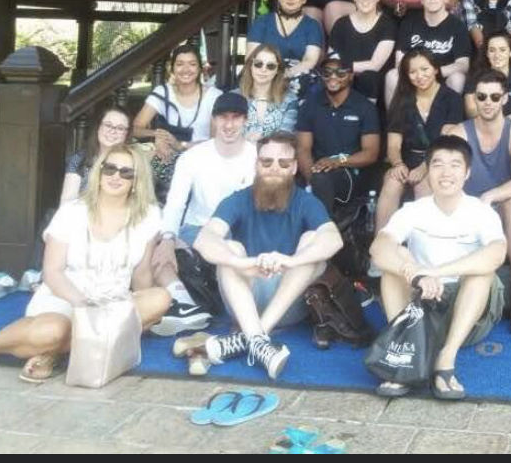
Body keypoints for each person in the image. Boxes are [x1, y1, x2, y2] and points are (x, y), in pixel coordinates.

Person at [0, 146, 170, 383]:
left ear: (137, 181)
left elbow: (142, 272)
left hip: (111, 301)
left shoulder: (148, 215)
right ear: (99, 172)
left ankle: (53, 352)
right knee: (53, 330)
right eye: (110, 169)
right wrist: (81, 304)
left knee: (160, 299)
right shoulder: (72, 212)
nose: (116, 176)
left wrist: (144, 311)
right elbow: (52, 272)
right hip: (64, 297)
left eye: (126, 172)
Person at [192, 131, 343, 381]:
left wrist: (291, 260)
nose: (274, 168)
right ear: (256, 164)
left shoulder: (306, 201)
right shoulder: (238, 199)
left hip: (288, 302)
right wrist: (241, 262)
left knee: (311, 243)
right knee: (230, 249)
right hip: (244, 299)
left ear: (294, 167)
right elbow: (204, 239)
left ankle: (253, 336)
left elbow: (333, 239)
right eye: (267, 162)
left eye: (283, 163)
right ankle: (259, 340)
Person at [369, 135, 508, 400]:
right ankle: (404, 348)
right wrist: (416, 274)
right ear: (428, 171)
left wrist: (433, 272)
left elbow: (496, 254)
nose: (446, 173)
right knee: (393, 262)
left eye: (455, 165)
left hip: (466, 314)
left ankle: (446, 359)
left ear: (467, 173)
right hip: (422, 304)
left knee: (483, 273)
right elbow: (379, 249)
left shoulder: (481, 212)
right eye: (438, 164)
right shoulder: (413, 210)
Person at [153, 91, 258, 336]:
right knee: (155, 249)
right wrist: (167, 238)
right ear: (214, 119)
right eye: (223, 117)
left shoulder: (257, 156)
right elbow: (175, 203)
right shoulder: (193, 157)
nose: (229, 125)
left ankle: (232, 310)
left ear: (245, 120)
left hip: (239, 236)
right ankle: (186, 306)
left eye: (236, 117)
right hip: (196, 231)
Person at [443, 70, 511, 334]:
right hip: (465, 207)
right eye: (482, 96)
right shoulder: (459, 133)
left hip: (499, 206)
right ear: (474, 98)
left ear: (505, 98)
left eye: (495, 97)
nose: (488, 102)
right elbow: (448, 179)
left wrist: (490, 196)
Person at [378, 49, 465, 230]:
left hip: (439, 160)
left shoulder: (452, 99)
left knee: (423, 186)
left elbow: (447, 141)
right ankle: (381, 243)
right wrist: (398, 164)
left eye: (425, 69)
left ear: (435, 69)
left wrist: (424, 167)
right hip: (408, 157)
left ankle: (421, 244)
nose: (419, 76)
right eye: (413, 72)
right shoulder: (401, 100)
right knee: (392, 183)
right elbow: (393, 144)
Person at [132, 43, 221, 203]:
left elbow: (216, 142)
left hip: (202, 157)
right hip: (168, 156)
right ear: (172, 68)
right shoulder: (163, 92)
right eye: (180, 64)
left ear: (200, 68)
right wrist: (158, 134)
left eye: (192, 64)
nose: (186, 69)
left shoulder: (214, 96)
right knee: (138, 165)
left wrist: (181, 146)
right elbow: (135, 128)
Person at [296, 54, 382, 217]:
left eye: (340, 73)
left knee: (322, 180)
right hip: (316, 170)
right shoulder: (310, 105)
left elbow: (371, 153)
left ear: (351, 75)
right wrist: (311, 180)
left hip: (349, 172)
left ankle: (323, 227)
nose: (333, 77)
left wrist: (338, 161)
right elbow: (303, 149)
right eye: (327, 72)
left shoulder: (364, 107)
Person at [384, 0, 471, 107]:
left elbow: (463, 65)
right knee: (392, 76)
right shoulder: (409, 23)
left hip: (442, 79)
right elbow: (400, 62)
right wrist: (418, 74)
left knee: (458, 78)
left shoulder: (457, 26)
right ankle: (395, 120)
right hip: (414, 78)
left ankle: (448, 120)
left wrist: (435, 72)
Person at [245, 0, 325, 94]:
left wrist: (285, 75)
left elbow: (310, 60)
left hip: (298, 74)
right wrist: (269, 73)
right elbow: (251, 57)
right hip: (264, 71)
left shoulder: (312, 25)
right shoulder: (262, 22)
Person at [327, 0, 396, 103]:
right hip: (343, 79)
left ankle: (365, 114)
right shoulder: (341, 23)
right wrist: (343, 72)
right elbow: (332, 58)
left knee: (369, 76)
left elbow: (375, 65)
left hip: (373, 86)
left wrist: (346, 67)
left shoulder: (387, 25)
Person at [61, 104, 131, 204]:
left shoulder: (134, 161)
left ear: (127, 134)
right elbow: (67, 202)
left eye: (120, 128)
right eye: (108, 125)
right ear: (98, 127)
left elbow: (141, 199)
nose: (112, 131)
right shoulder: (79, 159)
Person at [464, 30, 511, 124]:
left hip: (510, 129)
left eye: (502, 50)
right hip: (480, 128)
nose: (497, 55)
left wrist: (495, 125)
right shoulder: (475, 78)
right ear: (487, 53)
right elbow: (471, 111)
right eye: (492, 50)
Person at [239, 43, 299, 142]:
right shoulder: (235, 96)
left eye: (270, 66)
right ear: (251, 65)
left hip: (275, 151)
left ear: (278, 70)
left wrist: (261, 141)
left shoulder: (289, 99)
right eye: (258, 64)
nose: (263, 69)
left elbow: (285, 137)